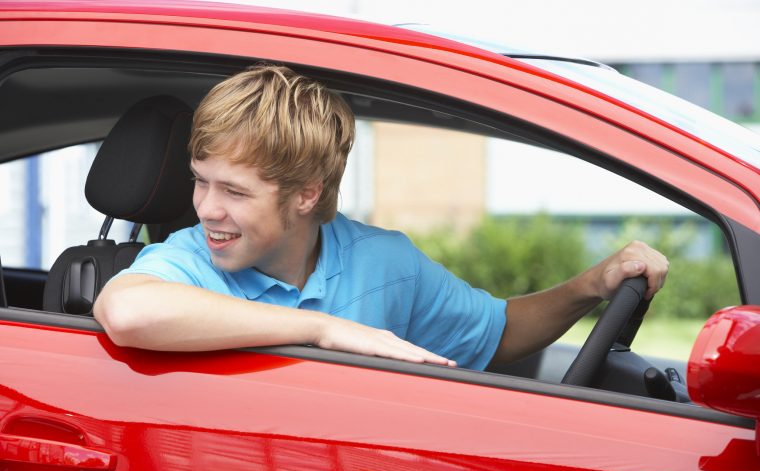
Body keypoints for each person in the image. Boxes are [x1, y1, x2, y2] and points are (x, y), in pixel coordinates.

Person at [93, 64, 669, 370]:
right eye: (200, 181)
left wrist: (591, 285)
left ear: (305, 194)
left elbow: (498, 333)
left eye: (235, 192)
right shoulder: (190, 260)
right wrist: (324, 328)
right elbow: (127, 309)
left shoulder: (384, 260)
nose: (207, 208)